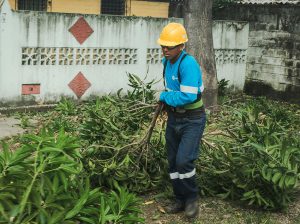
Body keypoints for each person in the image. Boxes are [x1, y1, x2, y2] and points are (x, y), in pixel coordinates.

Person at [157, 23, 206, 218]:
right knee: (173, 162)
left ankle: (192, 199)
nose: (165, 50)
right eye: (163, 46)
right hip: (174, 117)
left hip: (192, 119)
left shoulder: (188, 64)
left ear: (181, 46)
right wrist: (166, 101)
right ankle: (179, 198)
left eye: (169, 46)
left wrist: (164, 97)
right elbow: (171, 89)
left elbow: (188, 96)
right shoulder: (166, 62)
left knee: (184, 161)